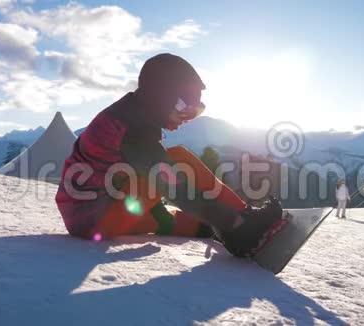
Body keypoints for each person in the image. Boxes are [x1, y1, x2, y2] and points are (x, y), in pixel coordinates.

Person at [55, 53, 284, 258]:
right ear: (160, 96)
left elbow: (127, 173)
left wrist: (216, 221)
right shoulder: (132, 128)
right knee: (180, 161)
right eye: (184, 107)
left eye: (195, 111)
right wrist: (234, 222)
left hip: (89, 216)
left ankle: (231, 228)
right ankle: (245, 225)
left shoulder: (131, 115)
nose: (187, 117)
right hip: (96, 217)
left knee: (194, 224)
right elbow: (172, 186)